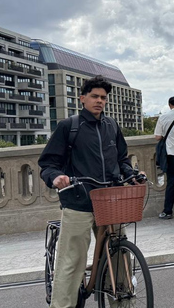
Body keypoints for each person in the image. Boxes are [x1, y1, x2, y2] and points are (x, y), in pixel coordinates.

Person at [39, 75, 138, 308]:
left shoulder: (112, 126)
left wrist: (131, 173)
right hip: (78, 201)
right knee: (71, 262)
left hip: (110, 201)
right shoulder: (69, 127)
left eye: (103, 97)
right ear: (82, 98)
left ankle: (122, 303)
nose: (99, 101)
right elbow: (48, 163)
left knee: (120, 258)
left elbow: (122, 159)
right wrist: (56, 177)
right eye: (94, 96)